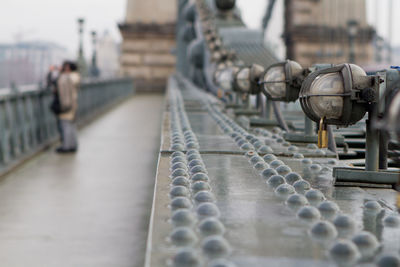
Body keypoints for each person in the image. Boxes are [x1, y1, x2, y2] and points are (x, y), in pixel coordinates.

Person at [55, 61, 80, 153]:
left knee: (66, 125)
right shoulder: (75, 76)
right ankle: (72, 145)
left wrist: (60, 72)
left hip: (67, 104)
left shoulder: (68, 77)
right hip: (72, 103)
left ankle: (67, 146)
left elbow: (58, 82)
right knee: (71, 125)